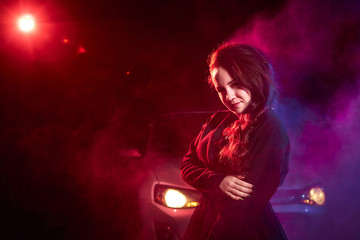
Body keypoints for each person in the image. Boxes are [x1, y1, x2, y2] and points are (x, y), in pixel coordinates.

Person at [181, 43, 289, 240]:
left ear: (253, 78)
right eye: (221, 89)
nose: (229, 97)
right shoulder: (217, 120)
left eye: (235, 85)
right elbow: (187, 166)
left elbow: (247, 203)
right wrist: (217, 181)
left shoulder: (270, 126)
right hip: (204, 222)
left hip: (243, 230)